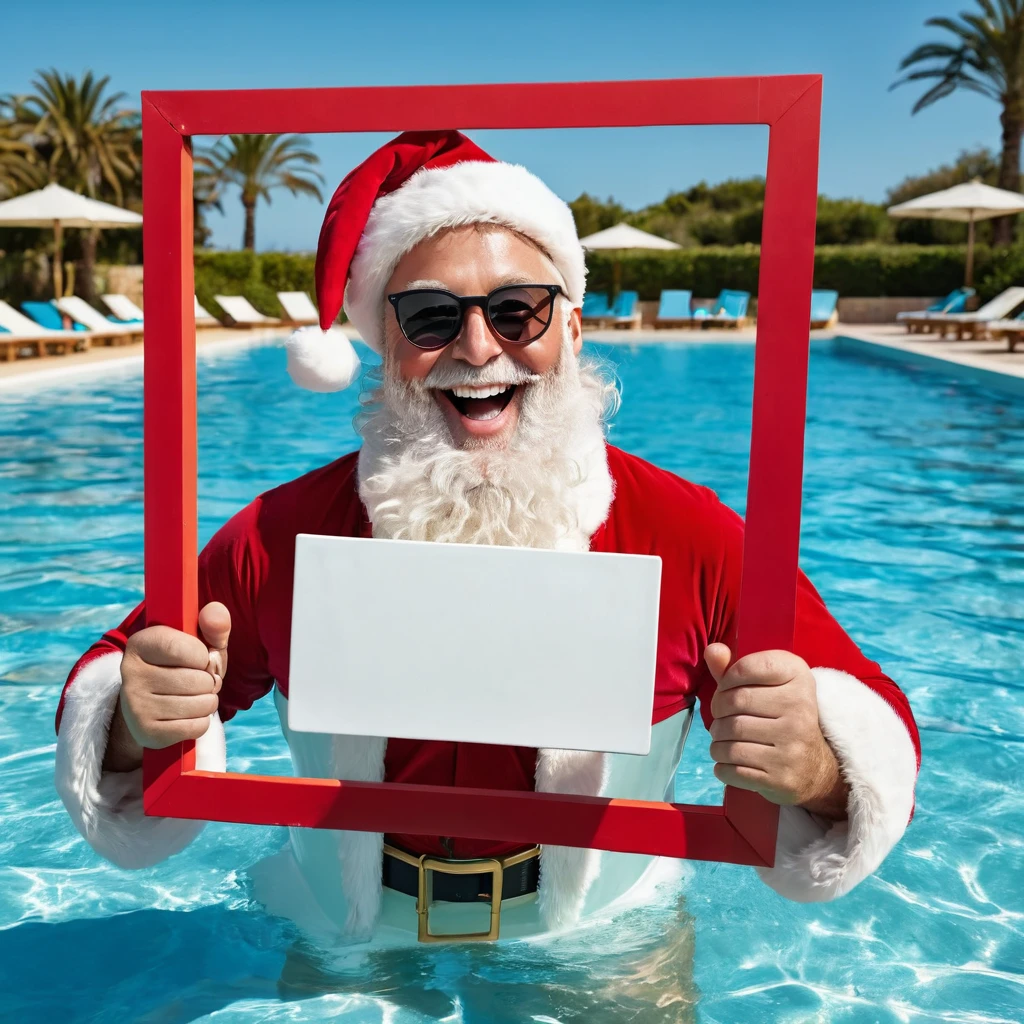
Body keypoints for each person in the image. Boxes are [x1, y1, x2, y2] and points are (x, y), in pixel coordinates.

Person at [54, 130, 920, 947]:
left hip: (602, 939)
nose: (478, 347)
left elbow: (872, 726)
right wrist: (135, 719)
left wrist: (814, 766)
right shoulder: (280, 537)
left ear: (572, 331)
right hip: (343, 930)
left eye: (518, 311)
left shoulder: (690, 536)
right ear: (386, 345)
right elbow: (126, 682)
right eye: (431, 317)